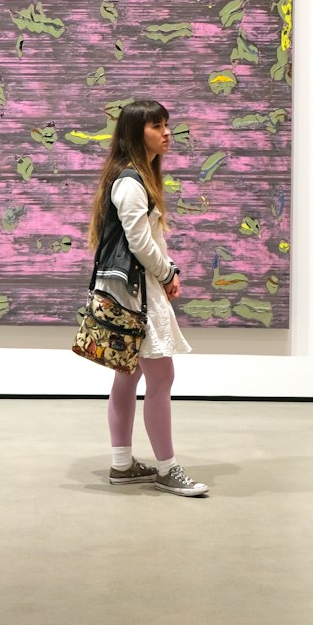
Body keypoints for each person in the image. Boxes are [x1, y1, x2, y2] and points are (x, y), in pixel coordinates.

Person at [87, 98, 209, 497]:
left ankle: (122, 466)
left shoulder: (129, 178)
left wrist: (165, 267)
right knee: (161, 376)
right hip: (137, 292)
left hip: (128, 289)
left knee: (128, 374)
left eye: (167, 124)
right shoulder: (130, 182)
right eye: (157, 126)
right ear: (135, 133)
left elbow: (145, 239)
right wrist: (168, 271)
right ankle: (167, 468)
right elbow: (140, 243)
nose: (167, 132)